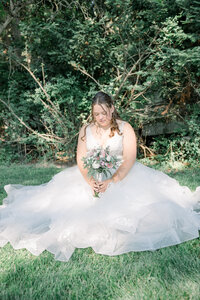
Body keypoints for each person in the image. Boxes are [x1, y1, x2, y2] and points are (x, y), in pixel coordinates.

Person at [0, 91, 199, 262]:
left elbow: (129, 158)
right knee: (59, 208)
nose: (101, 118)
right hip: (91, 176)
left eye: (104, 113)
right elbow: (80, 157)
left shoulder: (125, 128)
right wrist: (90, 180)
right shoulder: (86, 130)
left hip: (123, 176)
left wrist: (112, 181)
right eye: (96, 114)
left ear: (112, 108)